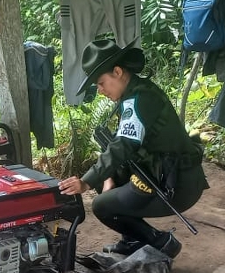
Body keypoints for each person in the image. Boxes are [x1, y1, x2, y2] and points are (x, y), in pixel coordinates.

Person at [58, 39, 209, 258]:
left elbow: (122, 146)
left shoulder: (140, 99)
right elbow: (123, 148)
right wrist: (106, 178)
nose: (100, 91)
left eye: (101, 83)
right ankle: (132, 240)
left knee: (101, 206)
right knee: (106, 178)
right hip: (162, 174)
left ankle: (162, 242)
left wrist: (86, 181)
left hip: (177, 185)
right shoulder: (135, 93)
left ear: (117, 72)